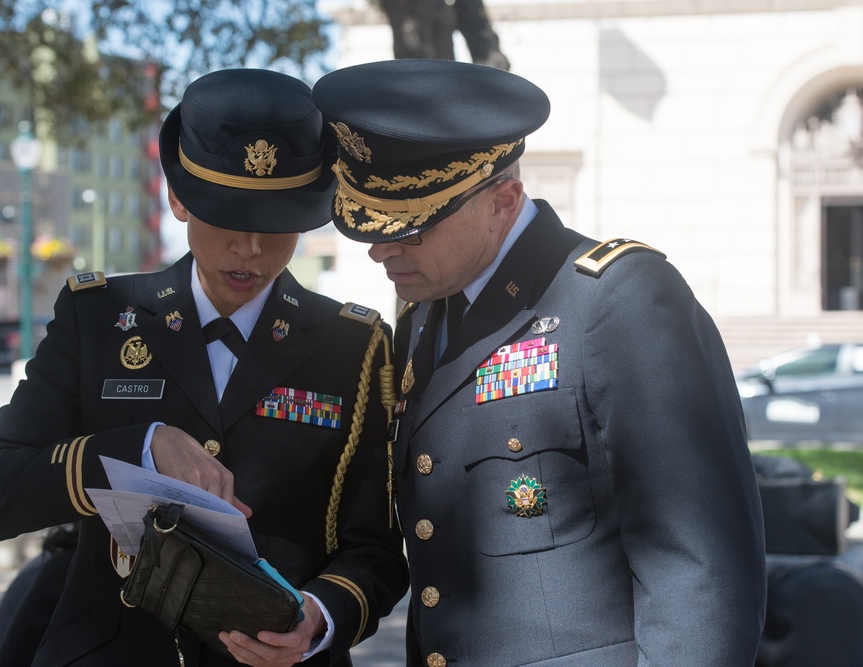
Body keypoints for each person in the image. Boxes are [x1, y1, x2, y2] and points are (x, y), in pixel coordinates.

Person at [312, 59, 767, 666]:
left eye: (410, 228)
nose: (378, 249)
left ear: (502, 201)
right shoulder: (424, 317)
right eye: (369, 222)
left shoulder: (618, 301)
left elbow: (701, 567)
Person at [0, 68, 408, 667]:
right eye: (226, 214)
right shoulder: (101, 318)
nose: (249, 247)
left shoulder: (354, 344)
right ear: (177, 198)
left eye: (276, 223)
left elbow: (374, 548)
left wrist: (320, 616)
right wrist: (139, 449)